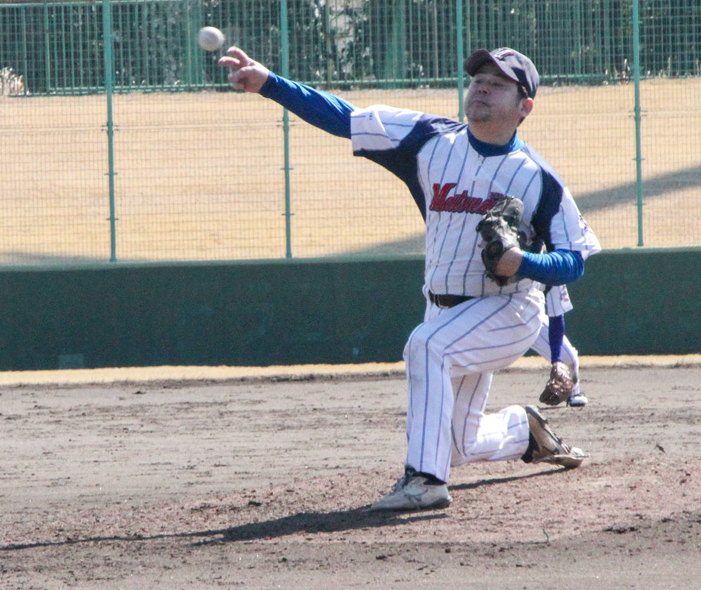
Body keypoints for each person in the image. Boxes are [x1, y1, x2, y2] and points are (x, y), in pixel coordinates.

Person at [219, 45, 601, 511]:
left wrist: (522, 263)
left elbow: (575, 261)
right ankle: (525, 430)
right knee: (458, 445)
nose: (482, 86)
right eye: (478, 78)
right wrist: (270, 84)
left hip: (508, 310)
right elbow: (348, 118)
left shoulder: (539, 177)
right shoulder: (429, 140)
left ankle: (423, 482)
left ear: (525, 107)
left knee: (426, 346)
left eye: (498, 84)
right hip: (443, 308)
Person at [530, 285, 588, 407]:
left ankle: (573, 393)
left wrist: (556, 360)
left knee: (568, 360)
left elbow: (556, 315)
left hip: (531, 319)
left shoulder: (553, 268)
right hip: (496, 316)